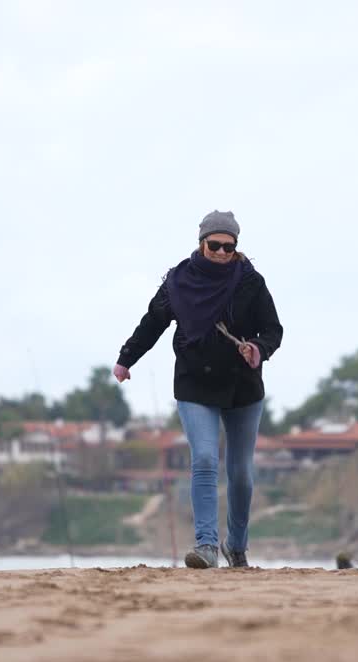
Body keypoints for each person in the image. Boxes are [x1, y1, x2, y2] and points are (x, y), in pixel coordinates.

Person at [113, 210, 283, 569]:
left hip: (242, 386)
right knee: (204, 460)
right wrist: (126, 358)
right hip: (195, 382)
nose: (222, 252)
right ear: (201, 242)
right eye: (215, 245)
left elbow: (273, 330)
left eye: (229, 247)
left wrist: (258, 349)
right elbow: (152, 323)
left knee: (240, 474)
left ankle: (235, 546)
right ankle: (206, 546)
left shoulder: (251, 282)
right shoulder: (178, 282)